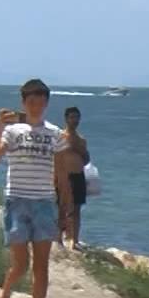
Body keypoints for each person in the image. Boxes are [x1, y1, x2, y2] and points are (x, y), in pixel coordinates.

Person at [0, 78, 62, 298]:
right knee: (20, 266)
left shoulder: (54, 134)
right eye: (31, 102)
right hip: (17, 201)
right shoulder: (13, 131)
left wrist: (65, 209)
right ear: (23, 103)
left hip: (44, 203)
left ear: (47, 103)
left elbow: (62, 173)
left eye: (40, 102)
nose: (36, 107)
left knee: (42, 268)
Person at [55, 105, 91, 250]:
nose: (75, 120)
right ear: (66, 119)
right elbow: (55, 157)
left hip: (78, 175)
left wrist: (80, 149)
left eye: (77, 117)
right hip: (64, 176)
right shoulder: (60, 137)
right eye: (72, 117)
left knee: (76, 210)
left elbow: (87, 159)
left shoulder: (82, 139)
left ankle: (74, 240)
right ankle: (58, 238)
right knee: (61, 208)